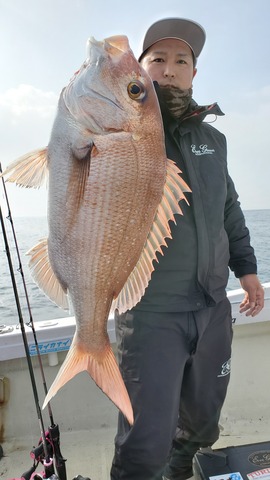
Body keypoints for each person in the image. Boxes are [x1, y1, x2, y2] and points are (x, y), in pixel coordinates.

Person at [110, 18, 265, 480]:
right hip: (151, 312)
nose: (170, 69)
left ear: (194, 73)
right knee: (144, 443)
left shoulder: (212, 140)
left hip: (214, 307)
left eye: (182, 60)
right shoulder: (121, 132)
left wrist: (248, 270)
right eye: (158, 59)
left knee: (201, 425)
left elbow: (229, 209)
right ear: (140, 69)